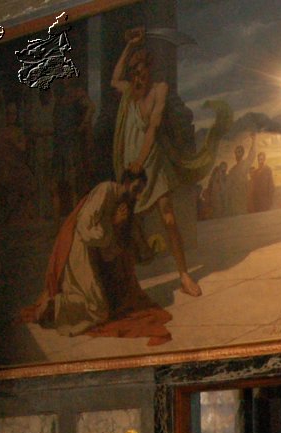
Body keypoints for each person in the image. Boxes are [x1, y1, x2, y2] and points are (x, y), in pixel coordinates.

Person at [111, 29, 210, 297]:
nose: (137, 75)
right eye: (134, 71)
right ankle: (125, 285)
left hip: (151, 164)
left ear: (149, 69)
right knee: (125, 223)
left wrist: (140, 163)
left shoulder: (159, 90)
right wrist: (129, 46)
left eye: (141, 69)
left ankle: (184, 275)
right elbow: (113, 79)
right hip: (130, 165)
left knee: (168, 219)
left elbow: (153, 128)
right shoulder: (129, 92)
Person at [23, 170, 172, 346]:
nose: (138, 197)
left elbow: (108, 251)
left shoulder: (120, 203)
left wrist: (119, 230)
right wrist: (113, 223)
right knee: (98, 310)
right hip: (78, 252)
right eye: (136, 189)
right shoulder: (106, 190)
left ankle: (58, 301)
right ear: (126, 182)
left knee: (102, 307)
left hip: (91, 255)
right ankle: (54, 305)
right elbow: (85, 230)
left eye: (141, 192)